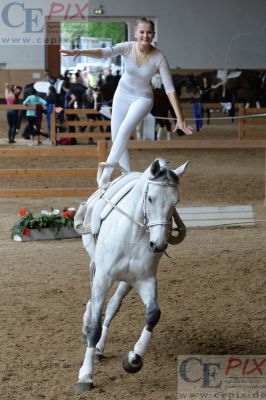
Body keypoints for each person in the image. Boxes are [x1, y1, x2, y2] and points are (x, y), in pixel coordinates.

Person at [61, 17, 193, 189]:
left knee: (124, 131)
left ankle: (105, 174)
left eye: (149, 32)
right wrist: (82, 51)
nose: (145, 35)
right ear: (135, 33)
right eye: (142, 32)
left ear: (153, 34)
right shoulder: (127, 47)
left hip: (143, 98)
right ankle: (127, 176)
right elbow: (104, 52)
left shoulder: (159, 57)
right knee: (116, 137)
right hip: (122, 94)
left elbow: (169, 89)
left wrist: (179, 117)